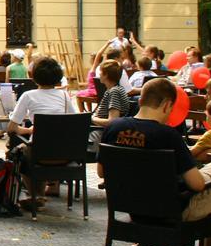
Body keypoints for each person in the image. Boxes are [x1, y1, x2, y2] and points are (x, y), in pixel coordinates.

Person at [99, 78, 211, 246]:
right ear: (167, 105)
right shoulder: (168, 136)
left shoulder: (113, 128)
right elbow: (197, 185)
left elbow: (102, 172)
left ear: (141, 101)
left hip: (134, 210)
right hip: (173, 212)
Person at [7, 57, 75, 206]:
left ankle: (34, 195)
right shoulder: (64, 96)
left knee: (19, 151)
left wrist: (27, 130)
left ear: (34, 76)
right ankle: (41, 193)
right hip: (65, 154)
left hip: (39, 154)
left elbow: (11, 128)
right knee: (41, 145)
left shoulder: (28, 96)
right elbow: (74, 120)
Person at [89, 60, 129, 142]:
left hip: (100, 131)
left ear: (106, 75)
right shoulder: (117, 89)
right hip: (100, 128)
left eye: (100, 71)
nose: (98, 74)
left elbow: (112, 121)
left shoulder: (114, 92)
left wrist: (92, 119)